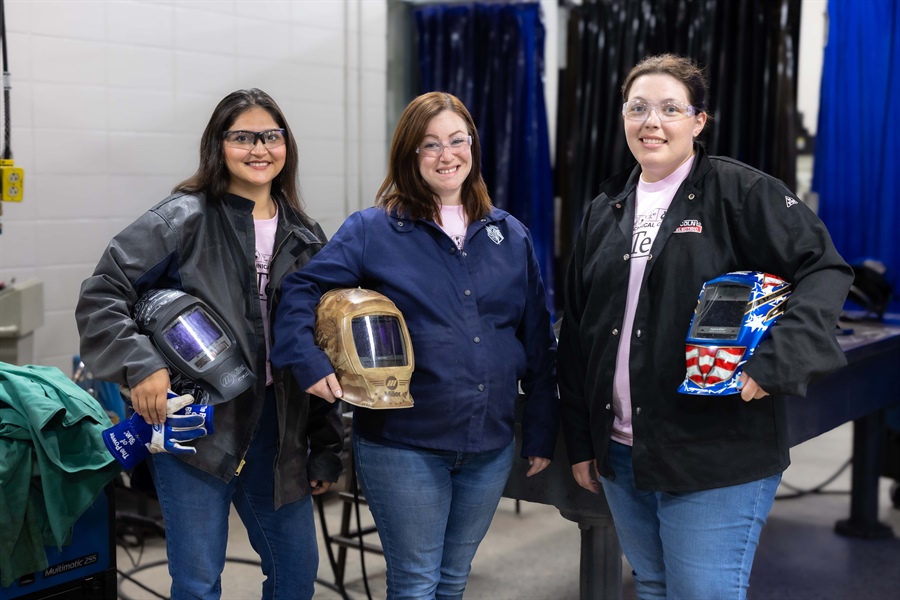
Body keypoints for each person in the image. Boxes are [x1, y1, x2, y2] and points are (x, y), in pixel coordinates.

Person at [557, 54, 853, 600]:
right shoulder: (606, 208)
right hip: (622, 450)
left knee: (701, 591)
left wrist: (778, 362)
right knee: (653, 586)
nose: (652, 122)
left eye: (671, 109)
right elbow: (578, 331)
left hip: (714, 448)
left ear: (698, 121)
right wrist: (581, 439)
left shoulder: (741, 193)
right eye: (638, 108)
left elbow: (825, 269)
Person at [271, 91, 559, 599]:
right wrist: (307, 361)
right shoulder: (373, 230)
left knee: (453, 580)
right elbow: (299, 289)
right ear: (410, 153)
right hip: (404, 443)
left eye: (457, 140)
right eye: (430, 144)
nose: (447, 155)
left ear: (473, 146)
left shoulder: (509, 235)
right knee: (416, 583)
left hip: (489, 443)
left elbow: (536, 338)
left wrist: (538, 429)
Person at [75, 88, 344, 600]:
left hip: (280, 431)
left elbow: (318, 345)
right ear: (218, 145)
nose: (259, 148)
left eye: (271, 136)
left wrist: (325, 445)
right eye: (243, 137)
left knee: (295, 575)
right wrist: (141, 364)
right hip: (195, 431)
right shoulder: (181, 219)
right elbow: (102, 294)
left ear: (286, 145)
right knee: (198, 584)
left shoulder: (306, 236)